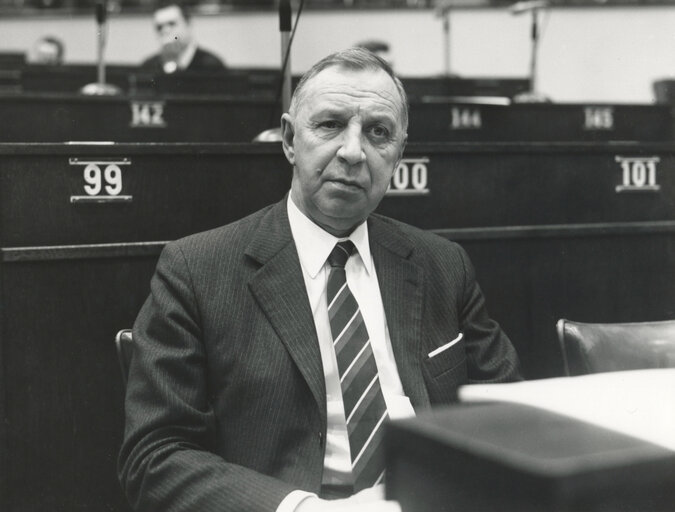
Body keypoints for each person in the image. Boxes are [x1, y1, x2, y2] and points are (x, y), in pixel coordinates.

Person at [118, 47, 521, 512]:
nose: (353, 152)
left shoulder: (442, 264)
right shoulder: (196, 270)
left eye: (378, 132)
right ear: (290, 139)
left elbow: (511, 414)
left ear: (398, 155)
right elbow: (154, 457)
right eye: (330, 124)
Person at [140, 0, 225, 74]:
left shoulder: (212, 66)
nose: (165, 31)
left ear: (188, 24)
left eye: (172, 24)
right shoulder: (148, 66)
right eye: (159, 27)